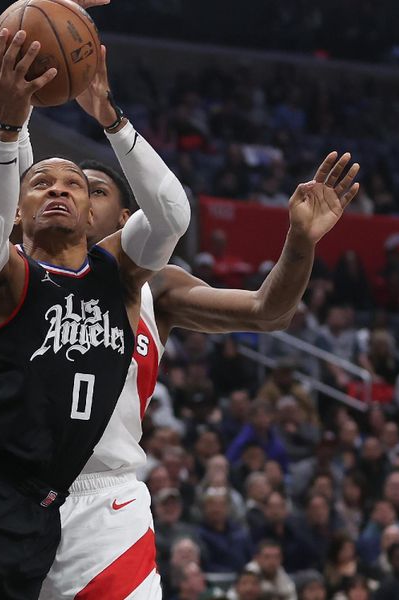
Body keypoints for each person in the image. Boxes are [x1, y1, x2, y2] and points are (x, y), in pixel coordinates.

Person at [24, 45, 359, 600]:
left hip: (105, 497)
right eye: (67, 187)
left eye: (95, 190)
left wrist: (299, 243)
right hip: (13, 492)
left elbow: (268, 311)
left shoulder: (157, 284)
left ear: (126, 219)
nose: (75, 197)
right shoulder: (19, 271)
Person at [0, 28, 189, 600]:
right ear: (19, 212)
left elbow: (171, 214)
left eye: (76, 183)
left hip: (42, 515)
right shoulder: (2, 274)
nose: (61, 190)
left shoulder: (117, 272)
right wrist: (4, 130)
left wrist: (110, 117)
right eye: (41, 181)